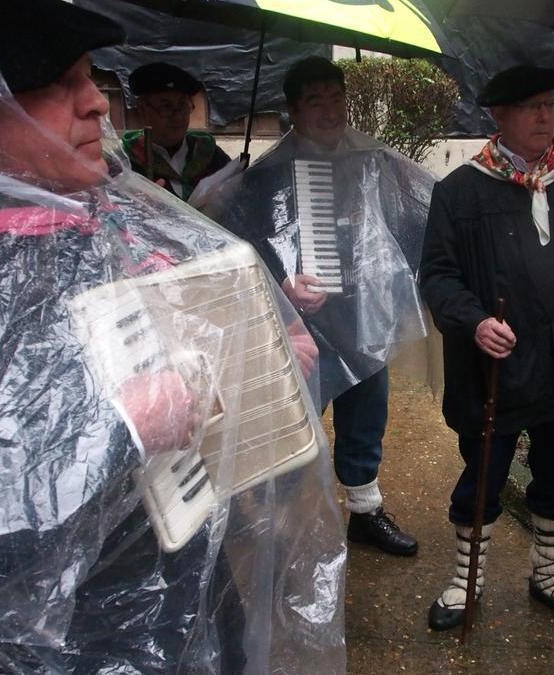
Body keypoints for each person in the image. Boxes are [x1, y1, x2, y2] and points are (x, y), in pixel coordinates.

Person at [0, 1, 344, 672]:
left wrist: (257, 360)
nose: (96, 103)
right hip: (67, 647)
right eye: (61, 83)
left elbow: (166, 360)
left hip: (161, 605)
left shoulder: (85, 212)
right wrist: (121, 426)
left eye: (90, 77)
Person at [419, 64, 554, 631]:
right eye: (532, 107)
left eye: (551, 105)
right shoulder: (460, 190)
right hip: (495, 366)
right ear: (500, 115)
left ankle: (549, 572)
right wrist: (474, 322)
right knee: (484, 474)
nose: (547, 116)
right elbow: (438, 276)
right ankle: (466, 578)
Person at [217, 56, 431, 557]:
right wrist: (282, 286)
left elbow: (409, 225)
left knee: (367, 417)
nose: (330, 111)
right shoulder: (265, 176)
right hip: (298, 325)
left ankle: (365, 511)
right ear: (293, 111)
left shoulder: (375, 161)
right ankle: (281, 523)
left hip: (363, 316)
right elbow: (239, 250)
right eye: (316, 101)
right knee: (294, 419)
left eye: (337, 98)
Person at [122, 62, 239, 207]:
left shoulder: (210, 155)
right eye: (166, 107)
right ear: (142, 109)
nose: (177, 117)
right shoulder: (126, 162)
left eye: (183, 105)